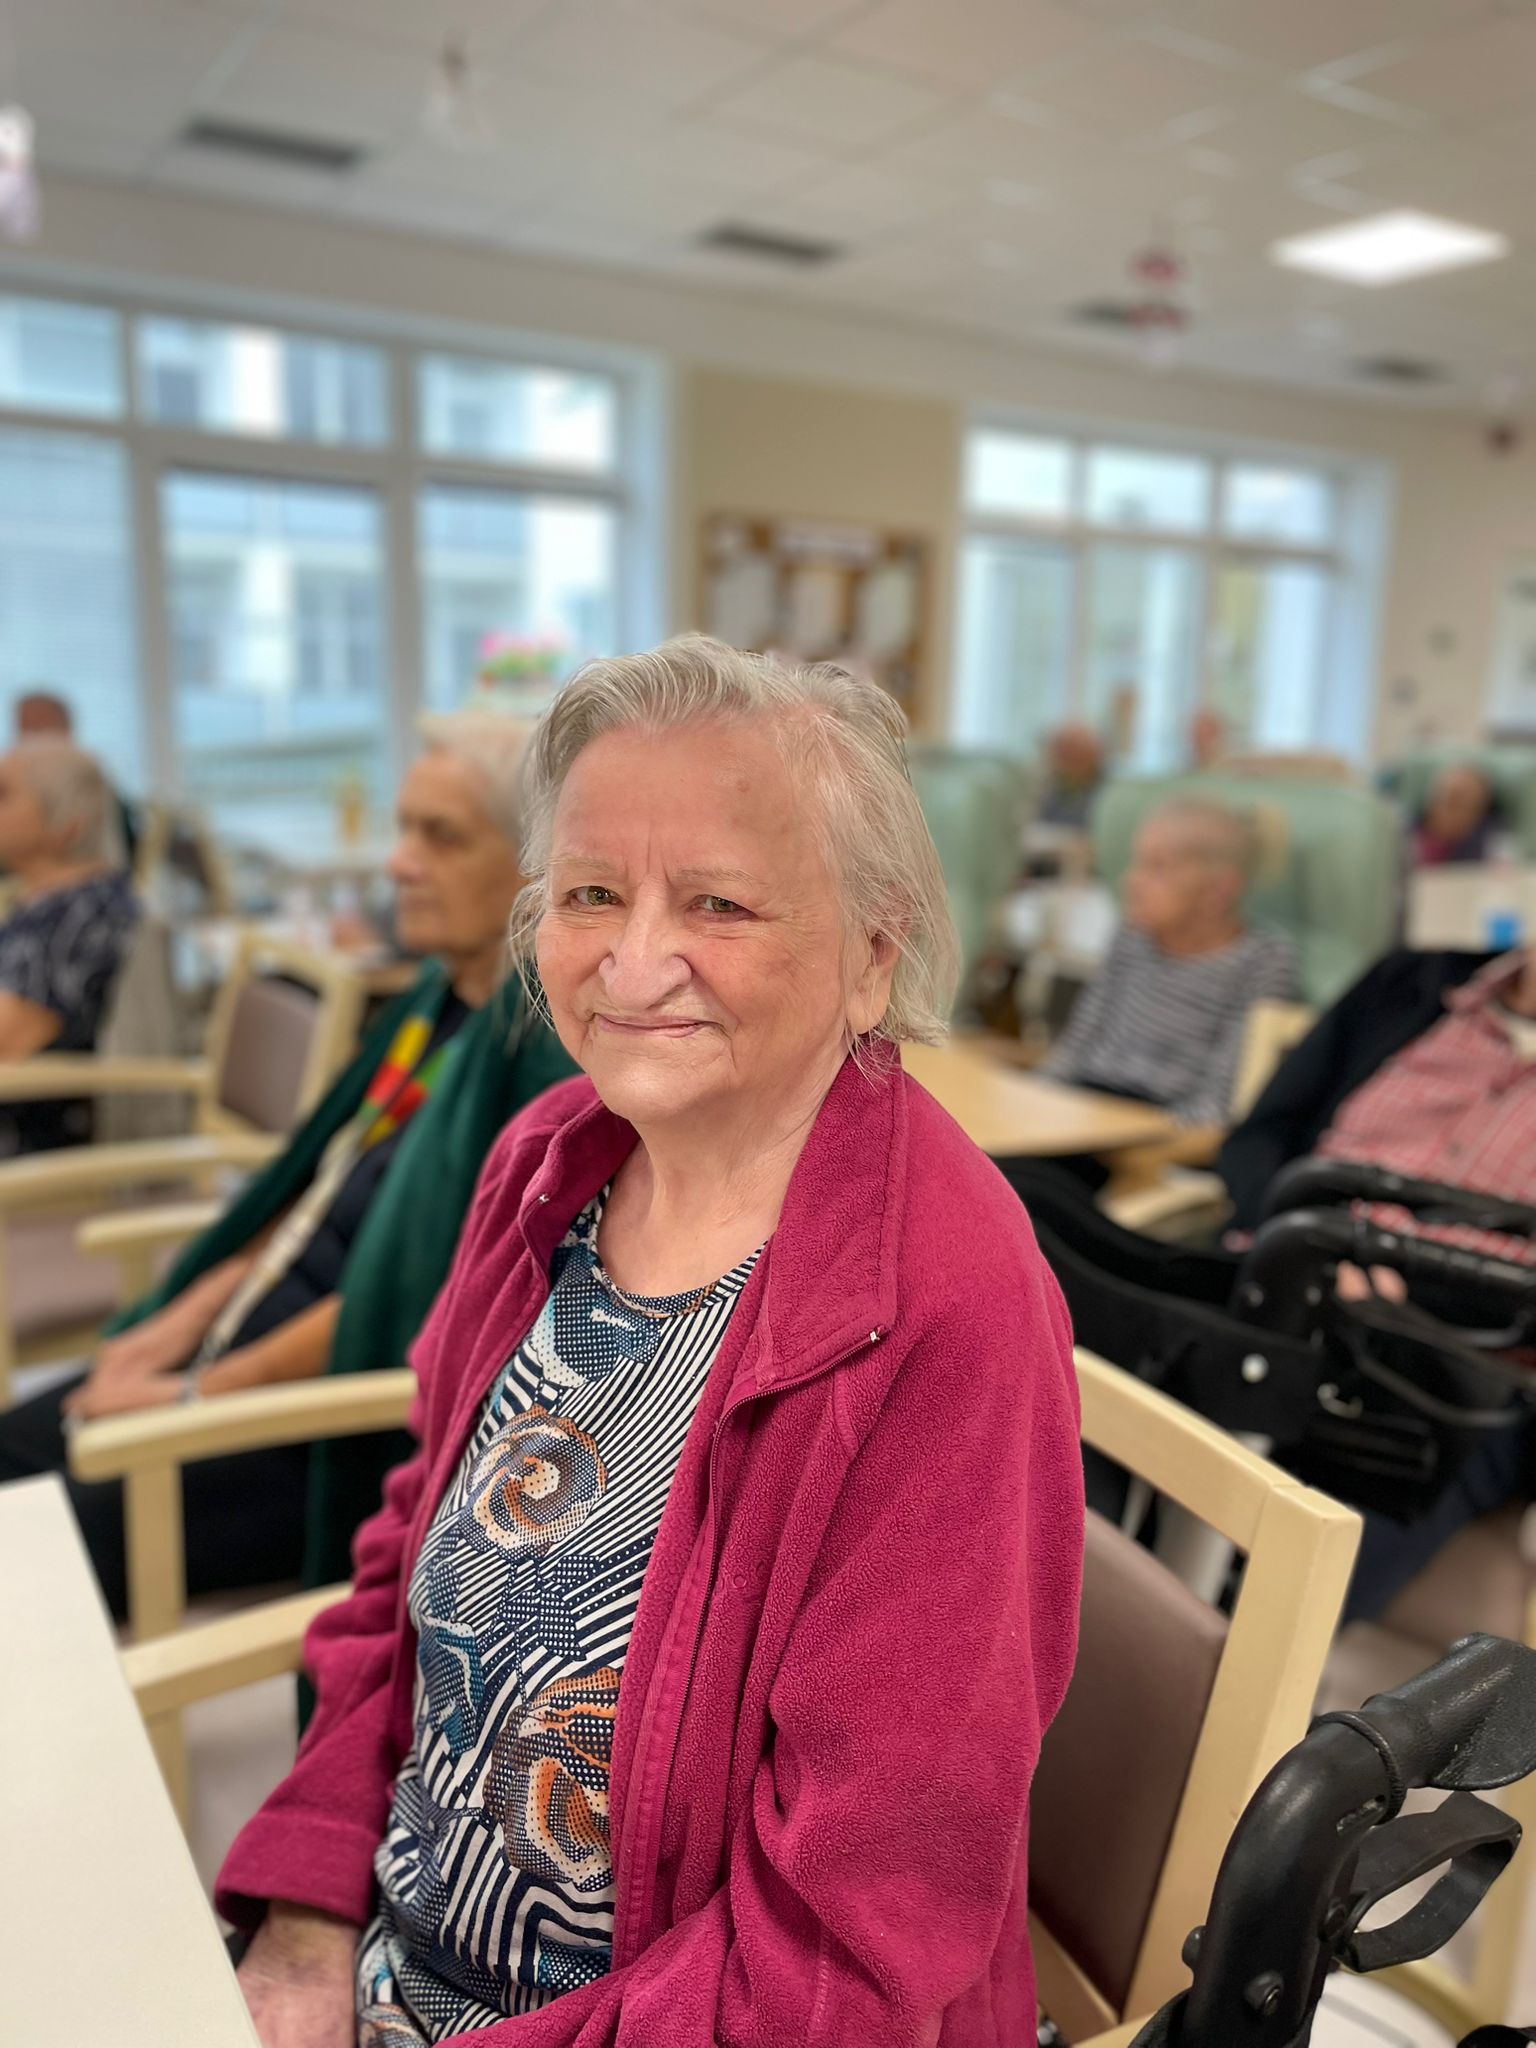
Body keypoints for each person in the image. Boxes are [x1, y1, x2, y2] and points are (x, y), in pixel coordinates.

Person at [221, 636, 1084, 2048]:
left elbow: (844, 1953)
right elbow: (403, 1565)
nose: (632, 962)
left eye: (719, 902)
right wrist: (308, 1923)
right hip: (386, 1964)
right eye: (591, 894)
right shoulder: (549, 1162)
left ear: (873, 955)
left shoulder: (949, 1307)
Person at [0, 716, 575, 1612]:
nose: (398, 864)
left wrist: (196, 1394)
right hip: (241, 1345)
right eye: (403, 828)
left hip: (311, 1425)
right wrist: (172, 1329)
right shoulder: (435, 1005)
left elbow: (435, 1304)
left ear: (537, 866)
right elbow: (303, 1205)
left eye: (442, 837)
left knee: (26, 1560)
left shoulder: (538, 1058)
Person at [1216, 943, 1536, 1619]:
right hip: (1274, 1272)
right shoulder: (1410, 982)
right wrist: (1296, 1239)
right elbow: (1260, 1136)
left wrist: (1404, 1294)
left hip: (1447, 1358)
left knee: (1273, 1612)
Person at [1042, 797, 1297, 1129]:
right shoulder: (1131, 936)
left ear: (1220, 889)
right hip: (1083, 1105)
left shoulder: (1262, 962)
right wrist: (1035, 1102)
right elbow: (1074, 1049)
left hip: (1156, 1127)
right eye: (1137, 864)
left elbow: (1220, 1102)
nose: (1132, 881)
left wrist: (1144, 1140)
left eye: (1157, 868)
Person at [0, 738, 139, 1154]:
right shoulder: (44, 902)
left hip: (31, 1140)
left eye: (4, 795)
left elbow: (8, 1043)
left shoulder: (81, 918)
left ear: (67, 824)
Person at [15, 688, 140, 861]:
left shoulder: (84, 773)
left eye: (38, 724)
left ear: (66, 725)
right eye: (23, 725)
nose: (28, 734)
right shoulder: (22, 776)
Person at [1411, 761, 1500, 866]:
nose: (1445, 810)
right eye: (1443, 797)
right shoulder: (1409, 832)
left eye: (1457, 801)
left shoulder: (1491, 845)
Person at [1036, 722, 1106, 829]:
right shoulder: (1054, 787)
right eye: (1063, 753)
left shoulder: (1104, 792)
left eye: (1074, 753)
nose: (1067, 760)